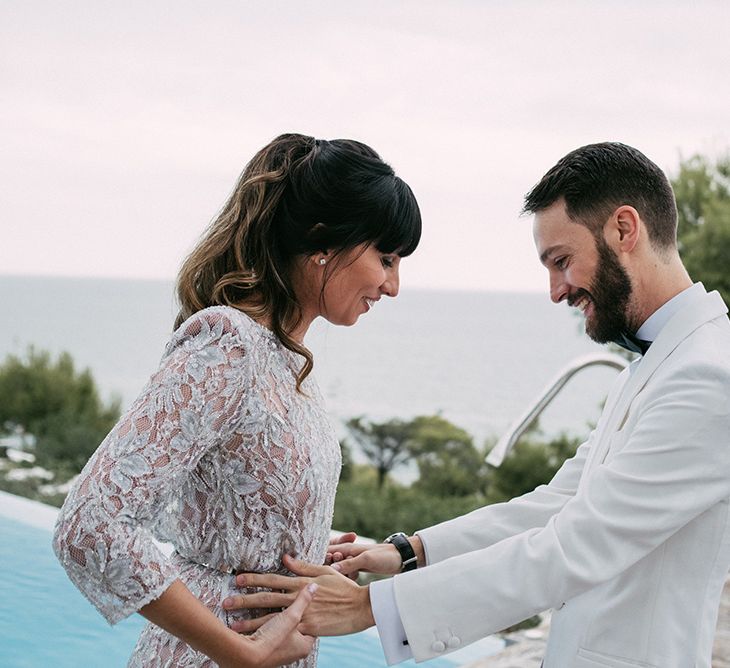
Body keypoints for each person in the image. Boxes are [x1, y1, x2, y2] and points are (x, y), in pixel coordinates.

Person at [224, 142, 730, 668]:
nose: (556, 290)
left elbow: (578, 544)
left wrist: (369, 607)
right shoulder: (661, 363)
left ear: (625, 230)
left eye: (562, 261)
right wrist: (406, 552)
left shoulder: (708, 375)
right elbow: (555, 504)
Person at [52, 132, 421, 668]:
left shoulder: (290, 363)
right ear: (322, 244)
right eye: (385, 257)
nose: (393, 285)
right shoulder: (229, 345)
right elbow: (91, 522)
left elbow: (238, 510)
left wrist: (308, 555)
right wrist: (239, 654)